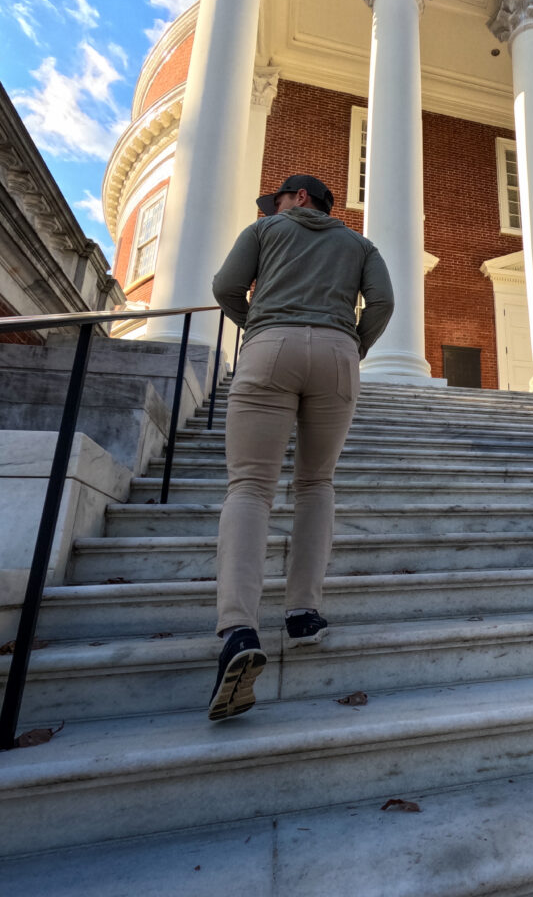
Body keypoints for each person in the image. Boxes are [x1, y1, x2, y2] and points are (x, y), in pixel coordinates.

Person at [207, 173, 394, 721]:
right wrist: (351, 343)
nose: (274, 205)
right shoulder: (361, 245)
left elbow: (224, 287)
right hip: (337, 353)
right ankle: (304, 614)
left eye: (280, 198)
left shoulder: (265, 230)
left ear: (301, 198)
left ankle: (239, 628)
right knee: (316, 483)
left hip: (270, 345)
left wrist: (258, 325)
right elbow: (382, 301)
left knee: (249, 487)